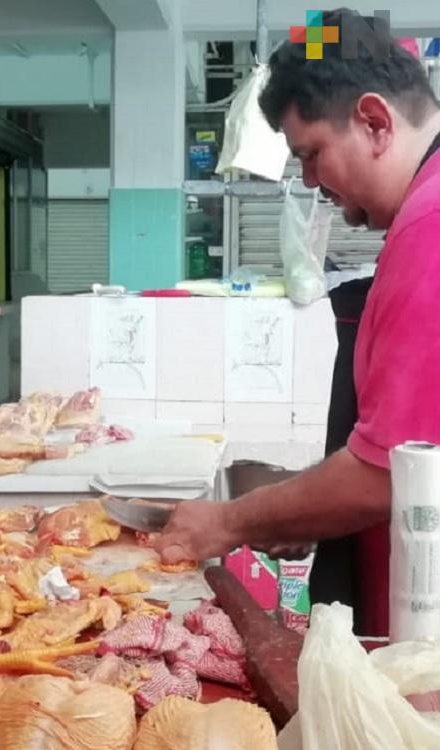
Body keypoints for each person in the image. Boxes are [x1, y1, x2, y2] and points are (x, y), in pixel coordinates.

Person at [155, 9, 440, 636]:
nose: (310, 182)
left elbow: (386, 471)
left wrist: (231, 521)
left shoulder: (430, 228)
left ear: (374, 121)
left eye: (311, 154)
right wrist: (293, 510)